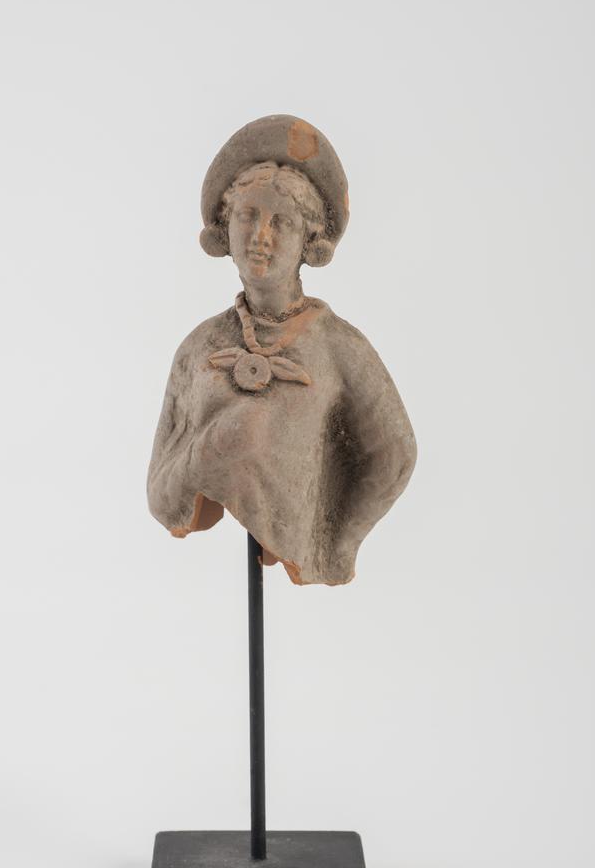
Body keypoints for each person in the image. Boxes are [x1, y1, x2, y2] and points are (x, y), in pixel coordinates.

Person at [147, 115, 416, 585]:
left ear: (309, 240)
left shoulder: (337, 346)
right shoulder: (201, 345)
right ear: (225, 227)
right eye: (247, 216)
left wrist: (338, 543)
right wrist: (212, 450)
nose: (261, 236)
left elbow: (394, 455)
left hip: (302, 540)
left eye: (282, 222)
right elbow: (160, 494)